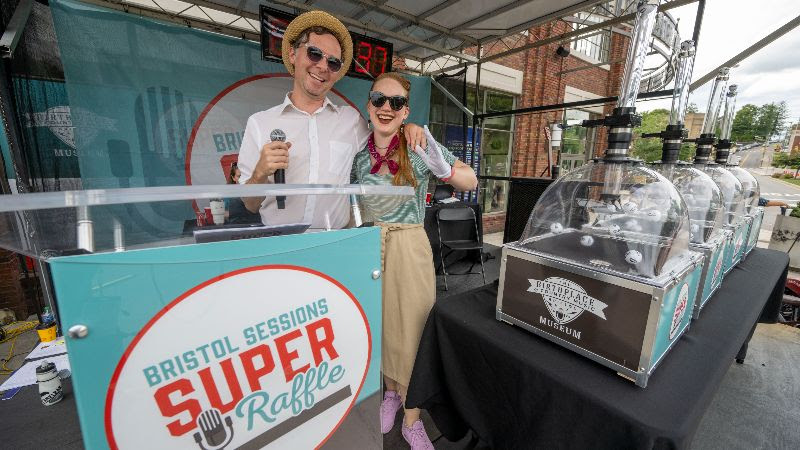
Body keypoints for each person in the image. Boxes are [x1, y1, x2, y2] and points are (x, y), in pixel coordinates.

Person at [351, 72, 477, 449]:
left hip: (408, 245)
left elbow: (469, 181)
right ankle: (391, 393)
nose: (386, 108)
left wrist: (445, 169)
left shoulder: (418, 146)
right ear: (368, 105)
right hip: (370, 246)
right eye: (379, 99)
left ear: (406, 111)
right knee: (385, 327)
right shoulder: (359, 157)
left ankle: (412, 417)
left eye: (397, 102)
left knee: (415, 332)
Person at [236, 11, 426, 229]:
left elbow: (385, 142)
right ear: (292, 54)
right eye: (314, 53)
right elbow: (250, 205)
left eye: (333, 62)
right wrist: (260, 173)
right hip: (281, 243)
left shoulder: (351, 120)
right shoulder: (260, 123)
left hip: (335, 242)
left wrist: (407, 128)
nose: (323, 66)